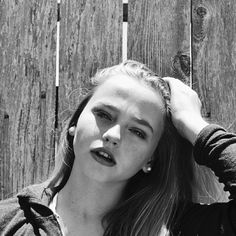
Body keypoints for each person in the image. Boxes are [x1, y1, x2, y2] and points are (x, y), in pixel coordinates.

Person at [0, 60, 235, 235]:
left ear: (150, 159)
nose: (113, 136)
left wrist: (193, 124)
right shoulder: (9, 220)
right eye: (104, 114)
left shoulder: (174, 228)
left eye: (137, 131)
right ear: (75, 124)